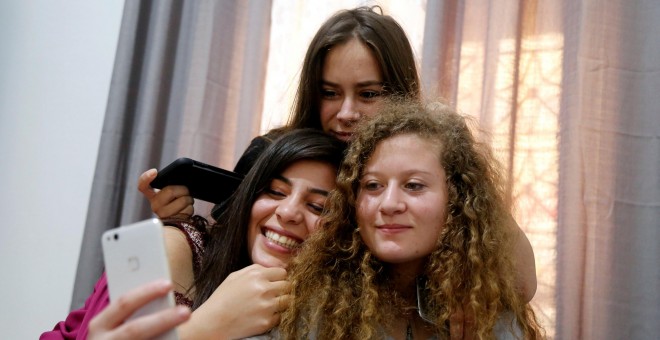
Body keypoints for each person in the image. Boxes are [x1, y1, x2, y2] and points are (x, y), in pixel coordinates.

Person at [41, 129, 345, 339]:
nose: (288, 212)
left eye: (319, 207)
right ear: (245, 197)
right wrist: (208, 326)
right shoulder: (177, 247)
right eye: (275, 191)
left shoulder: (328, 303)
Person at [278, 100, 545, 339]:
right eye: (372, 185)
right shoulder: (310, 309)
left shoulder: (488, 316)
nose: (390, 204)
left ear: (457, 198)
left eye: (414, 185)